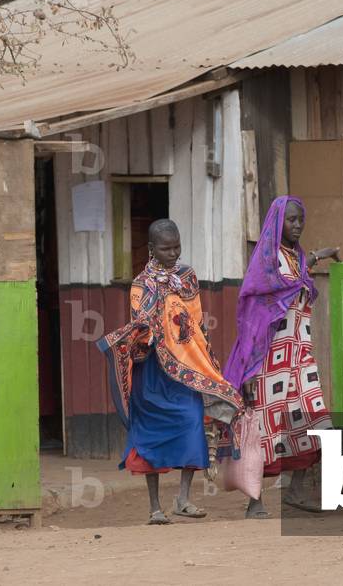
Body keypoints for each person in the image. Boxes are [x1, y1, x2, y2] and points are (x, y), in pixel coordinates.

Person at [97, 219, 243, 525]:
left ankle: (183, 499)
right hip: (152, 372)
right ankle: (154, 507)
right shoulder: (141, 284)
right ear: (152, 249)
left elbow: (197, 322)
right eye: (166, 248)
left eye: (177, 246)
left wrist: (205, 359)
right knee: (150, 435)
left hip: (185, 370)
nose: (174, 253)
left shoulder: (187, 278)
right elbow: (143, 325)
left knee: (192, 423)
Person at [223, 196, 340, 519]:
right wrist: (248, 369)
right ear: (277, 222)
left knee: (315, 423)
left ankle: (297, 491)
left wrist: (322, 253)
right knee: (265, 431)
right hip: (269, 363)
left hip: (300, 359)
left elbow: (300, 275)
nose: (297, 225)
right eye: (291, 220)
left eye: (301, 219)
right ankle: (255, 502)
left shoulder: (296, 258)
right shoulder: (267, 263)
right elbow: (253, 317)